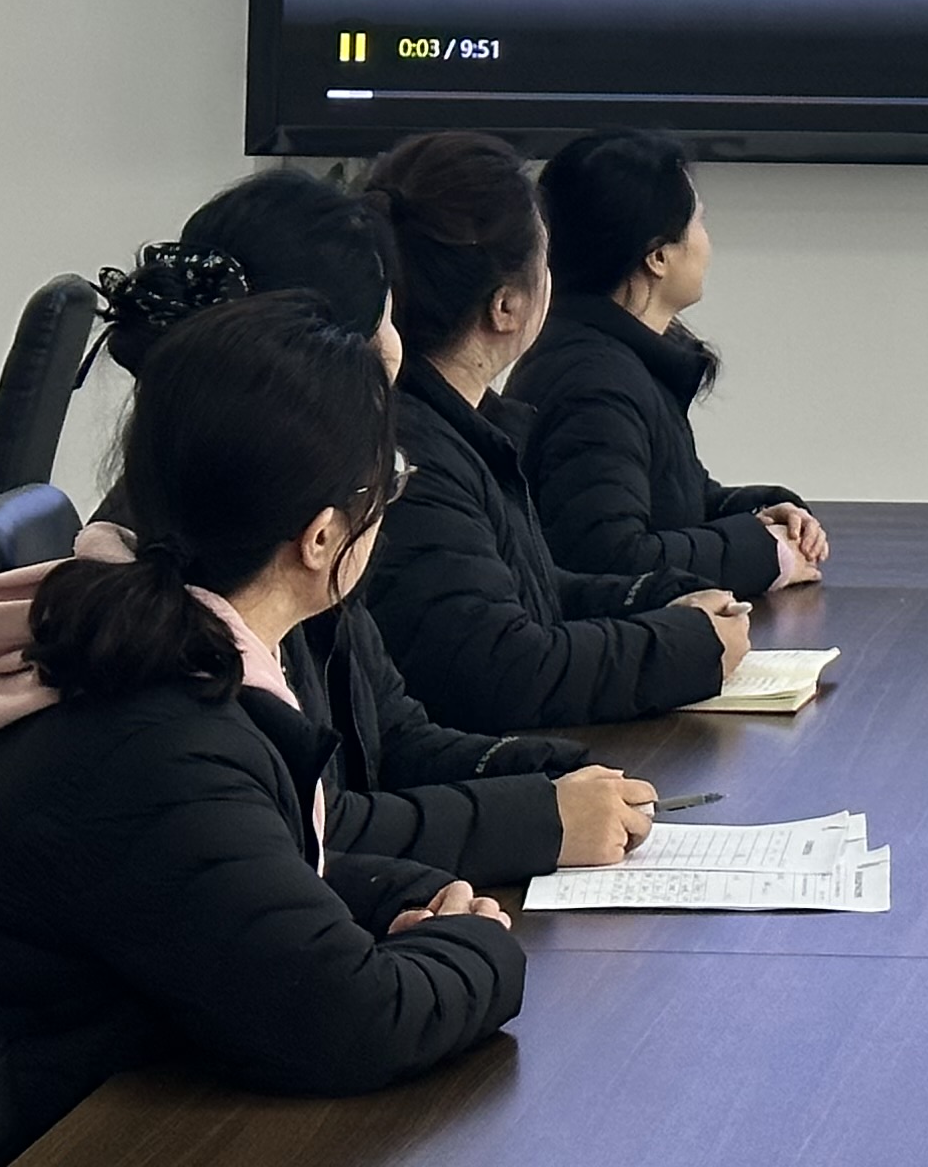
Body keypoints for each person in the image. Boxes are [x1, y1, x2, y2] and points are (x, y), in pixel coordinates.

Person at [0, 293, 525, 1143]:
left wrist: (404, 898)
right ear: (321, 538)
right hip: (92, 1137)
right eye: (388, 484)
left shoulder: (149, 660)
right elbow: (353, 1022)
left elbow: (238, 873)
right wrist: (481, 944)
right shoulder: (161, 740)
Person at [102, 172, 660, 883]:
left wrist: (558, 774)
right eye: (387, 320)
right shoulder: (210, 550)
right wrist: (541, 818)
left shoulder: (299, 500)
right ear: (317, 350)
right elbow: (302, 826)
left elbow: (390, 735)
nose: (398, 348)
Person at [359, 132, 746, 729]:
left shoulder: (461, 427)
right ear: (506, 307)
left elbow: (526, 593)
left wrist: (661, 601)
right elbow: (502, 666)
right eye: (544, 263)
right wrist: (684, 646)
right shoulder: (417, 459)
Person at [516, 130, 830, 597]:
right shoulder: (596, 387)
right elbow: (606, 555)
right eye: (699, 221)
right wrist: (765, 554)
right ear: (659, 256)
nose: (707, 241)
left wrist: (761, 514)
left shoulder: (617, 357)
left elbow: (673, 504)